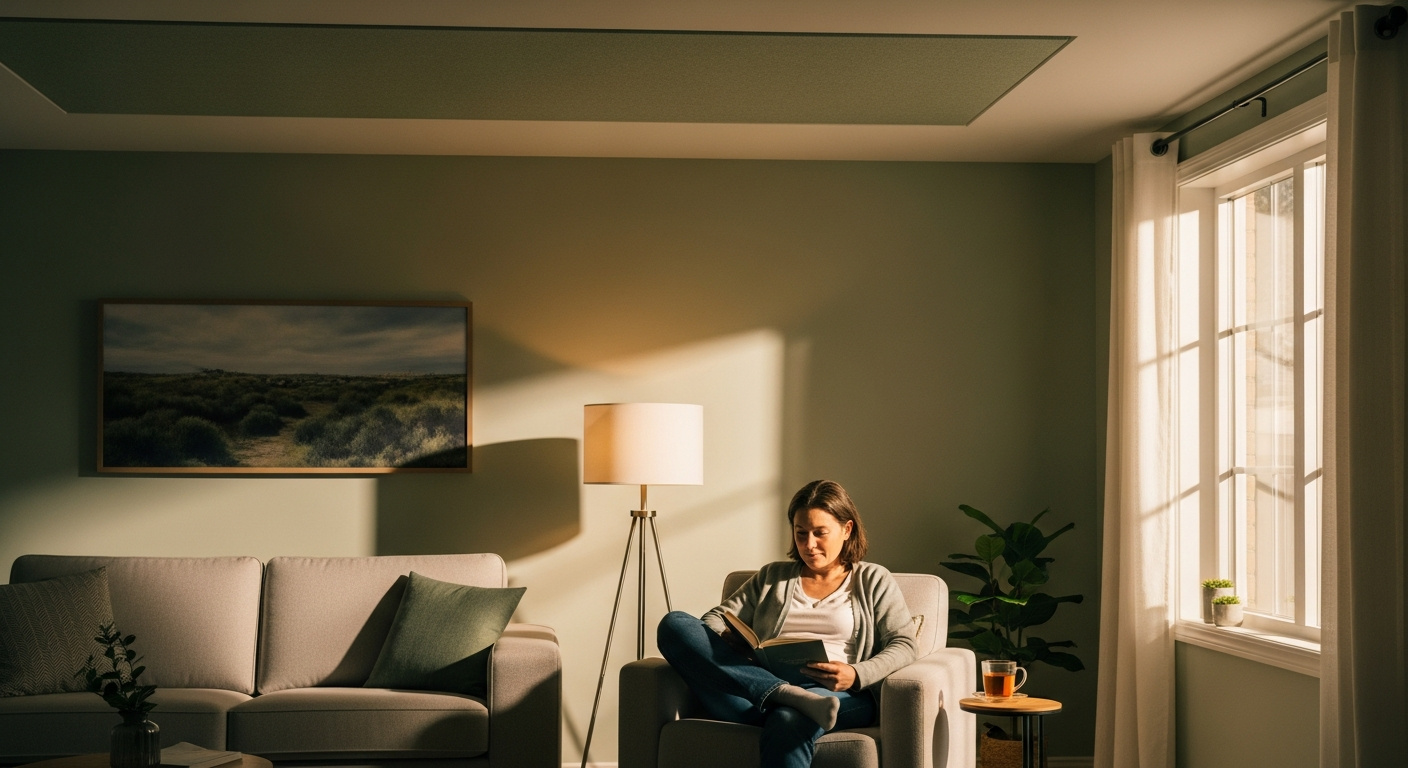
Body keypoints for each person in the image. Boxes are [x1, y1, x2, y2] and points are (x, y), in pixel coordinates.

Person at [656, 479, 918, 768]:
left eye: (820, 533)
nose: (809, 545)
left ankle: (791, 701)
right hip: (754, 691)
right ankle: (783, 693)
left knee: (788, 718)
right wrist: (739, 648)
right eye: (800, 533)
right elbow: (713, 620)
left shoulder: (873, 579)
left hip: (833, 696)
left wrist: (856, 674)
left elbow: (904, 644)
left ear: (847, 529)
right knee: (674, 624)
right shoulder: (772, 576)